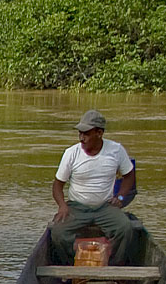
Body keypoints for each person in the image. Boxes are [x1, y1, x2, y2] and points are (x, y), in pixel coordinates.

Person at [48, 109, 146, 265]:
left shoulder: (116, 150)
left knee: (125, 229)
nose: (82, 138)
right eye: (80, 133)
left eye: (86, 134)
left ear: (99, 133)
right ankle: (70, 264)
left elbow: (129, 175)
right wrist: (62, 206)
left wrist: (120, 197)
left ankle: (113, 265)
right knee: (58, 233)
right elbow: (57, 185)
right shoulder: (71, 153)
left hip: (105, 207)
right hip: (76, 207)